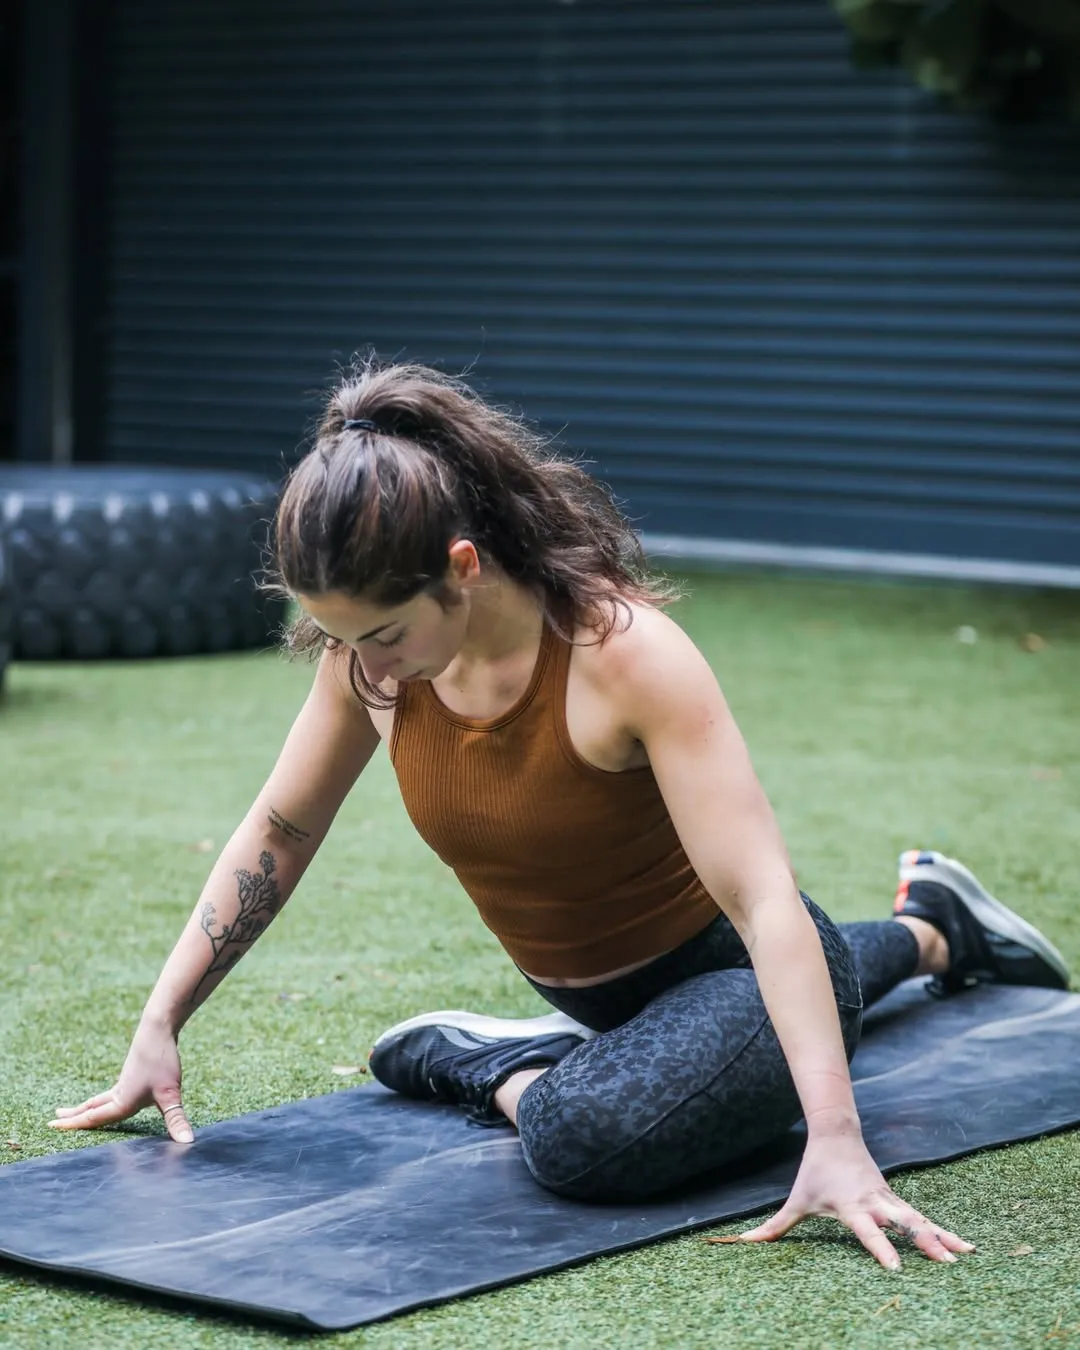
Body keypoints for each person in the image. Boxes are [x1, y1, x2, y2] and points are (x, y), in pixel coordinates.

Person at [52, 359, 1070, 1272]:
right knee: (702, 1046)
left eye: (385, 634)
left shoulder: (622, 655)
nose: (364, 666)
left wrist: (839, 1143)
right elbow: (279, 831)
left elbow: (763, 903)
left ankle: (491, 1061)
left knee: (592, 1139)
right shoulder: (366, 662)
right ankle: (938, 925)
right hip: (599, 994)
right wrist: (161, 1021)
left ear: (462, 566)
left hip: (723, 967)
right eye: (338, 637)